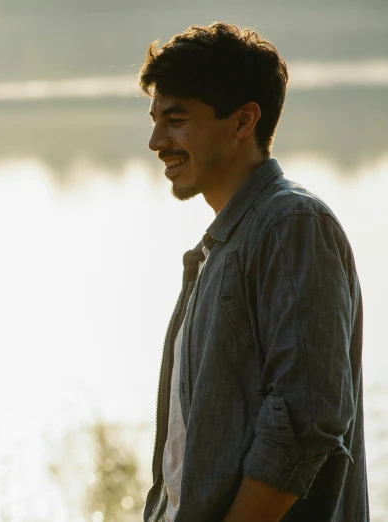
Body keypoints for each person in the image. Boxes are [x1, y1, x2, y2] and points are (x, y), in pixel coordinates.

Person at [139, 23, 368, 521]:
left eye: (176, 120)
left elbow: (306, 419)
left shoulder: (293, 225)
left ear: (243, 121)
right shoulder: (223, 244)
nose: (157, 140)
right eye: (155, 119)